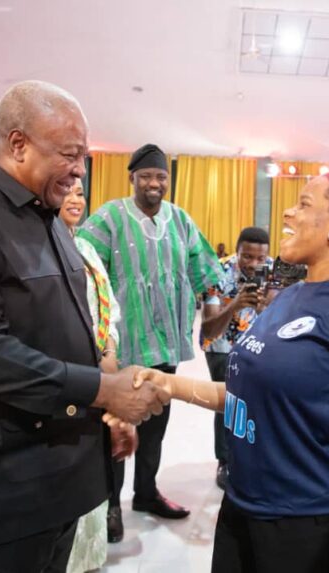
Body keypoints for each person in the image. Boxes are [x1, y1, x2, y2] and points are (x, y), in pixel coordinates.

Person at [0, 81, 166, 573]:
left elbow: (69, 328)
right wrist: (102, 392)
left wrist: (105, 414)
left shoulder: (45, 219)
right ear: (18, 144)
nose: (78, 171)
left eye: (83, 157)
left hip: (55, 481)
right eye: (69, 154)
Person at [136, 168, 329, 573]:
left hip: (303, 527)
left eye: (304, 204)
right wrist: (168, 383)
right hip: (240, 508)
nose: (288, 214)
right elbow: (247, 396)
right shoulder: (289, 300)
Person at [77, 143, 224, 541]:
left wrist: (213, 307)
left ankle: (146, 493)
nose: (154, 183)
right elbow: (84, 271)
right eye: (146, 176)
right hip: (124, 349)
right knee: (120, 425)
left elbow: (206, 271)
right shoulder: (109, 218)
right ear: (133, 179)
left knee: (156, 427)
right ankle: (110, 505)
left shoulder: (180, 220)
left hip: (167, 345)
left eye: (161, 177)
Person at [57, 179, 138, 573]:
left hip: (99, 377)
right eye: (66, 191)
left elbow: (109, 315)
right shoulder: (43, 249)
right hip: (70, 384)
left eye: (80, 192)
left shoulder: (86, 248)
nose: (75, 198)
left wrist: (109, 354)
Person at [200, 226, 273, 490]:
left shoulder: (273, 272)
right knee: (228, 402)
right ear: (237, 250)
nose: (254, 264)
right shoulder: (216, 273)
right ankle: (225, 460)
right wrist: (235, 305)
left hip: (257, 345)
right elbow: (209, 328)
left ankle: (252, 458)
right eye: (247, 257)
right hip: (221, 347)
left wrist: (268, 307)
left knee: (258, 402)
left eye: (260, 258)